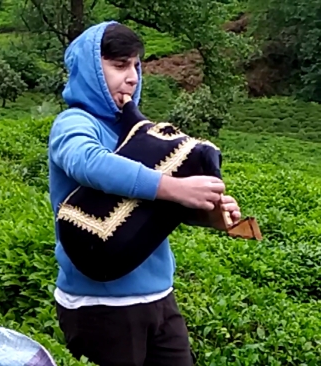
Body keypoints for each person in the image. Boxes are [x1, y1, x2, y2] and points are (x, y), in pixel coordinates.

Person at [47, 21, 242, 365]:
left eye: (136, 66)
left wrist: (206, 210)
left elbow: (150, 210)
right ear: (91, 69)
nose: (133, 76)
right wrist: (174, 186)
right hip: (100, 305)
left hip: (159, 298)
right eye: (119, 65)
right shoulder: (75, 124)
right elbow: (88, 162)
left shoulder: (141, 131)